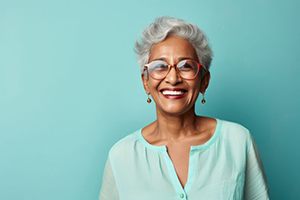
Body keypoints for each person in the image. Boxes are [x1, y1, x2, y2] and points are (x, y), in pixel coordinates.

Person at [99, 16, 269, 200]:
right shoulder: (121, 156)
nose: (173, 78)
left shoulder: (238, 141)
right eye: (160, 66)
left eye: (186, 66)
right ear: (145, 82)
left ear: (204, 81)